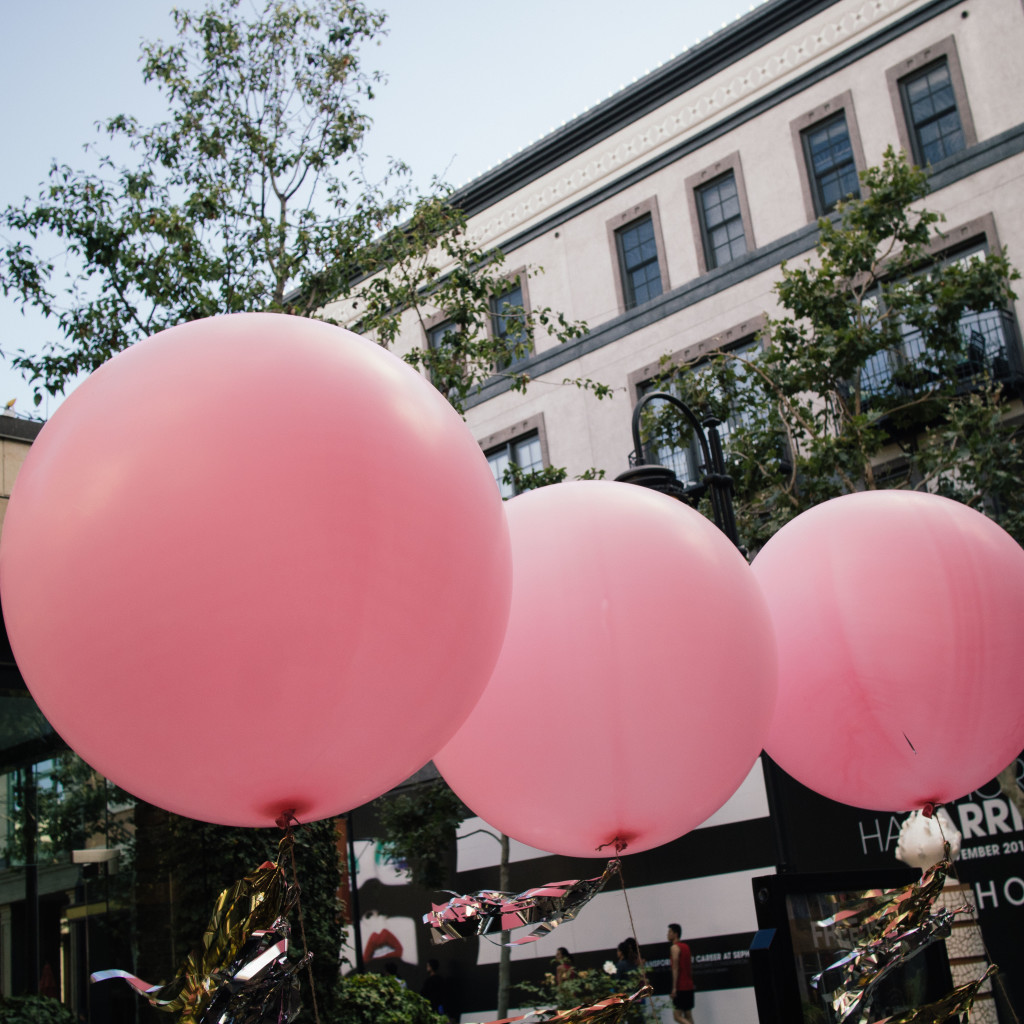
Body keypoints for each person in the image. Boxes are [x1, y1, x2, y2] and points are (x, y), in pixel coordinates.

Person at [668, 923, 694, 1024]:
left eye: (670, 932)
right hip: (689, 986)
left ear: (676, 934)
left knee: (677, 1016)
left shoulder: (674, 948)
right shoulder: (686, 947)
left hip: (681, 987)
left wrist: (674, 988)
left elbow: (675, 967)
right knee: (688, 1016)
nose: (668, 934)